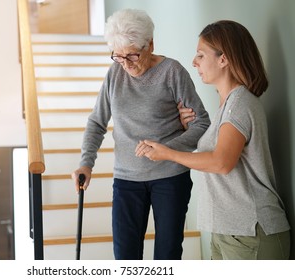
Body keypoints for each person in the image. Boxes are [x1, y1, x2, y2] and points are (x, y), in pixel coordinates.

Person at [136, 20, 291, 260]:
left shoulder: (239, 103)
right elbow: (218, 150)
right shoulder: (228, 104)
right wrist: (187, 127)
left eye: (200, 55)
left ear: (223, 59)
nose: (194, 62)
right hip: (230, 232)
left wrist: (167, 153)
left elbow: (221, 162)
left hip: (250, 231)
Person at [71, 9, 210, 260]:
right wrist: (86, 163)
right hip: (126, 179)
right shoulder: (115, 74)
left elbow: (202, 122)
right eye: (118, 56)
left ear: (151, 44)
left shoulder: (172, 72)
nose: (126, 63)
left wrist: (168, 150)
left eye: (132, 55)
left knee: (167, 255)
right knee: (125, 256)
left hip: (170, 178)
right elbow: (96, 122)